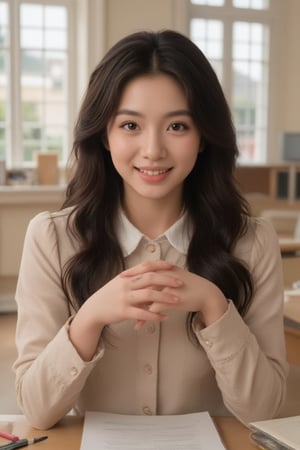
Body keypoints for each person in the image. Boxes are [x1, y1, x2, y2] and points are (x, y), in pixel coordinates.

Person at [13, 29, 288, 430]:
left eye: (177, 126)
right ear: (104, 135)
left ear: (204, 138)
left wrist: (214, 307)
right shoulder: (50, 238)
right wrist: (89, 318)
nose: (153, 150)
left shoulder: (252, 241)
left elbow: (265, 412)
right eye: (130, 126)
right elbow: (36, 411)